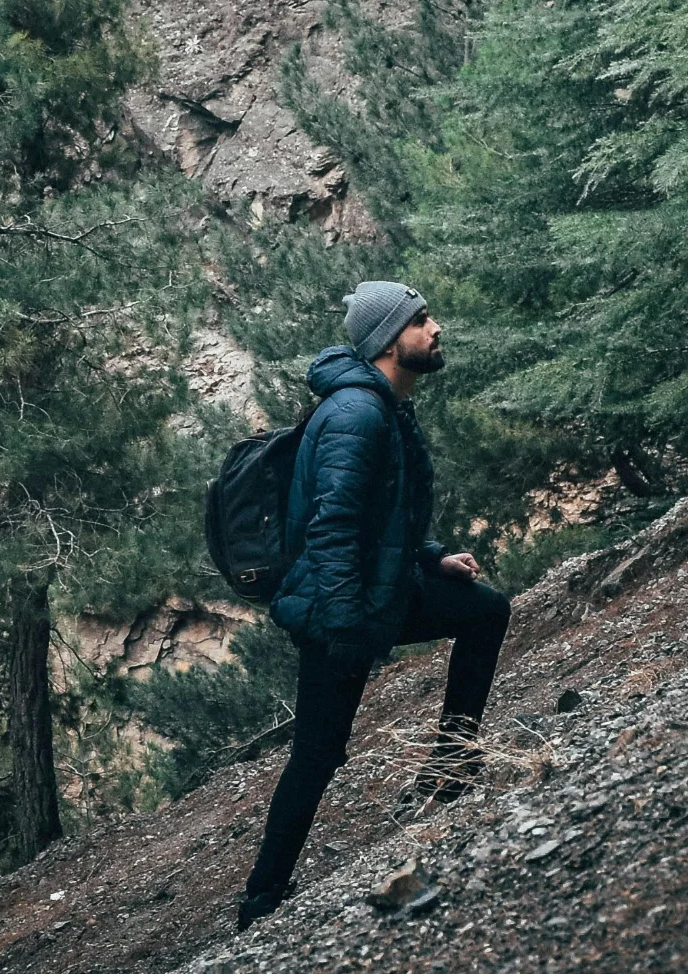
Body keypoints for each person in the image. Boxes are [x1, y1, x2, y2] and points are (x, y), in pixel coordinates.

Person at [238, 281, 511, 931]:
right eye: (421, 320)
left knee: (484, 610)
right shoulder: (357, 414)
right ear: (390, 340)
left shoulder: (388, 406)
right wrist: (344, 628)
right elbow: (332, 528)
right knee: (318, 753)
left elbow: (388, 515)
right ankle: (261, 901)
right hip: (340, 607)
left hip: (381, 589)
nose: (435, 328)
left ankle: (452, 766)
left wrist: (432, 559)